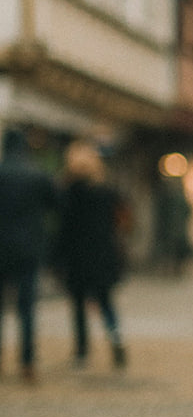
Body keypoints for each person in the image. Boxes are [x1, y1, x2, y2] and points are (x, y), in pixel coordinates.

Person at [54, 140, 128, 369]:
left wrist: (56, 257)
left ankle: (82, 352)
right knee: (106, 302)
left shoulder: (69, 193)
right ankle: (116, 338)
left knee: (78, 305)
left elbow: (64, 229)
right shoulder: (106, 192)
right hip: (103, 254)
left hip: (78, 257)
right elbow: (121, 221)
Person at [0, 126, 57, 382]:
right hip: (29, 248)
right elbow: (56, 206)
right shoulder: (38, 175)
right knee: (26, 308)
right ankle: (27, 362)